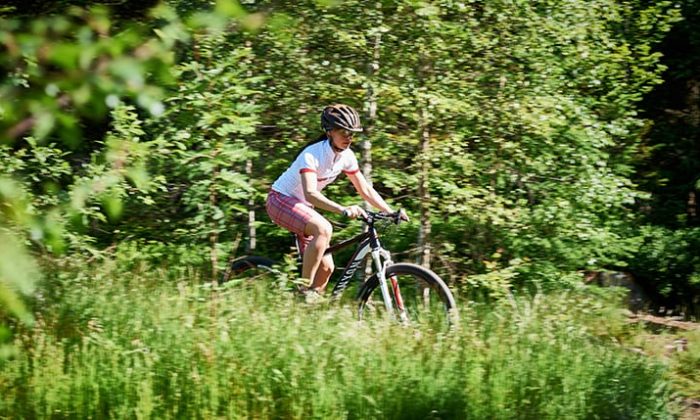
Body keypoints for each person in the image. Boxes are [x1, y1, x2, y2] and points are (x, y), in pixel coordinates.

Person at [266, 104, 408, 298]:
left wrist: (389, 211)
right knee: (323, 228)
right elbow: (310, 194)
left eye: (352, 133)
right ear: (330, 132)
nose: (349, 137)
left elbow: (365, 189)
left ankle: (306, 311)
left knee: (326, 268)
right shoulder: (312, 155)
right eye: (344, 132)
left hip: (302, 207)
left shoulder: (346, 157)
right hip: (279, 200)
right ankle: (303, 290)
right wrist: (342, 209)